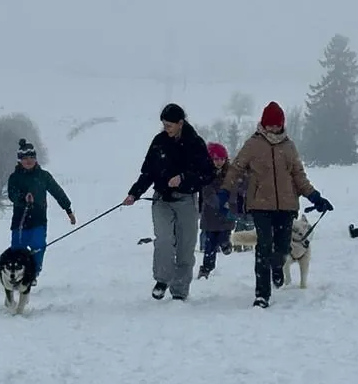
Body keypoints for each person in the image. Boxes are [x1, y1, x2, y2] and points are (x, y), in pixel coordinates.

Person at [220, 102, 332, 308]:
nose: (273, 129)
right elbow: (236, 169)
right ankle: (262, 294)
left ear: (282, 124)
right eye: (269, 125)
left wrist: (315, 196)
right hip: (260, 205)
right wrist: (225, 191)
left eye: (277, 125)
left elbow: (299, 175)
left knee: (281, 247)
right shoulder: (253, 144)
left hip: (287, 206)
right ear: (263, 124)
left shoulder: (289, 146)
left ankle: (278, 265)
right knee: (263, 246)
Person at [123, 103, 215, 301]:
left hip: (187, 200)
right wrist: (134, 193)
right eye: (164, 125)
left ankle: (180, 290)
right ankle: (162, 279)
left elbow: (207, 173)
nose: (166, 128)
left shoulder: (195, 143)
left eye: (169, 125)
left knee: (185, 246)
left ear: (180, 123)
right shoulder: (159, 142)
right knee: (164, 240)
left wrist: (183, 178)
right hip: (162, 200)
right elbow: (147, 173)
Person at [6, 139, 75, 280]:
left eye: (31, 157)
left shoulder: (44, 176)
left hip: (39, 221)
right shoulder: (14, 178)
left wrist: (68, 209)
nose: (28, 161)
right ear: (19, 160)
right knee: (17, 250)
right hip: (20, 221)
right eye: (25, 158)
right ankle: (18, 275)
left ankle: (33, 273)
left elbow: (57, 192)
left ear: (36, 159)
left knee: (39, 246)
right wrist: (23, 198)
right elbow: (12, 195)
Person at [196, 142, 235, 279]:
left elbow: (235, 188)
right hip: (210, 214)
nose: (219, 162)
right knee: (210, 244)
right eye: (216, 159)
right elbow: (207, 193)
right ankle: (206, 268)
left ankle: (225, 244)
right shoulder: (206, 174)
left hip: (227, 214)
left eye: (222, 159)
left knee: (225, 233)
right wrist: (219, 203)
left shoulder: (230, 173)